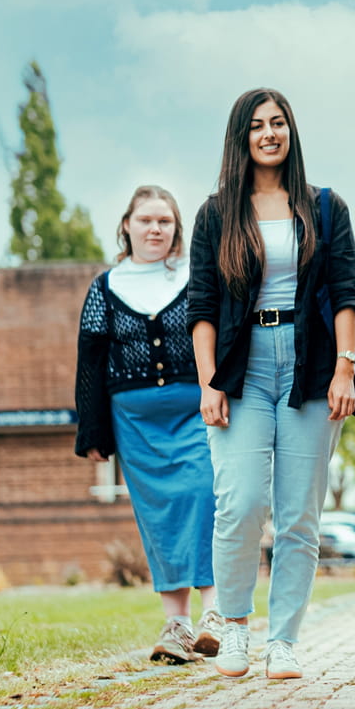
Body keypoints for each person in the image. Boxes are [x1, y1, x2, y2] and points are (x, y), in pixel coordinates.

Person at [188, 88, 355, 682]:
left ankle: (283, 641)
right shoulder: (216, 214)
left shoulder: (325, 206)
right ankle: (235, 625)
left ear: (291, 131)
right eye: (258, 125)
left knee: (298, 516)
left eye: (279, 123)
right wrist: (208, 382)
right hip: (242, 369)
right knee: (239, 503)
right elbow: (202, 306)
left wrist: (344, 368)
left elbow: (346, 293)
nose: (270, 133)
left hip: (311, 366)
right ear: (241, 138)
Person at [74, 185, 218, 664]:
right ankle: (177, 626)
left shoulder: (197, 277)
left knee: (203, 495)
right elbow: (90, 362)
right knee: (157, 516)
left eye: (165, 221)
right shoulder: (105, 287)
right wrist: (92, 431)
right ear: (127, 226)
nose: (155, 229)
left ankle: (215, 614)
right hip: (134, 421)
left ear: (177, 229)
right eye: (146, 220)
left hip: (196, 410)